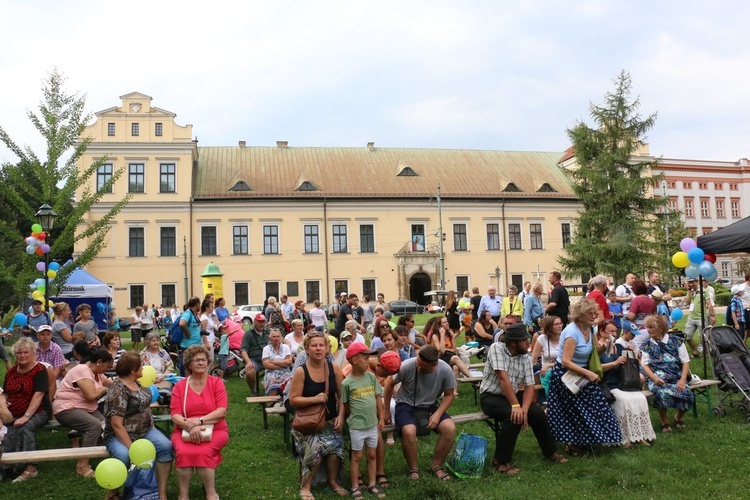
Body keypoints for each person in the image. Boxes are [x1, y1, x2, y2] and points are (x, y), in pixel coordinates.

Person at [480, 323, 567, 474]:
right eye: (524, 340)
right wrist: (515, 406)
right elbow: (503, 379)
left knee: (538, 414)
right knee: (514, 417)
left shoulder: (525, 357)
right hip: (491, 396)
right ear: (513, 342)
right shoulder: (496, 348)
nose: (528, 343)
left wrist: (525, 409)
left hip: (512, 394)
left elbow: (529, 386)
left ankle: (550, 452)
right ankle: (500, 462)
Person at [547, 299, 621, 456]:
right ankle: (574, 444)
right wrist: (587, 373)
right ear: (579, 315)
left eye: (595, 312)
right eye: (590, 313)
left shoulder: (591, 329)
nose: (594, 315)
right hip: (565, 376)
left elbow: (595, 351)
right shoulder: (571, 333)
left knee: (598, 405)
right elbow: (566, 361)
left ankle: (589, 441)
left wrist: (606, 345)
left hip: (582, 372)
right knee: (577, 410)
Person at [104, 352, 172, 500]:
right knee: (124, 456)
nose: (144, 368)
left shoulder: (137, 382)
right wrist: (132, 448)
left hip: (145, 430)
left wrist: (151, 426)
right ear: (132, 370)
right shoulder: (118, 390)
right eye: (140, 366)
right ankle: (113, 491)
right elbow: (116, 424)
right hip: (120, 434)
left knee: (166, 447)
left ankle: (161, 493)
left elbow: (144, 406)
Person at [383, 345, 456, 481]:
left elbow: (449, 394)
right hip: (405, 405)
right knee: (409, 431)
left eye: (422, 366)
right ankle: (413, 469)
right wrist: (386, 410)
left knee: (450, 429)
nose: (418, 367)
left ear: (433, 365)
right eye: (418, 362)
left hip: (431, 405)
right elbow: (389, 384)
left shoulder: (444, 369)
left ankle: (436, 465)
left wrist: (438, 414)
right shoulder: (407, 366)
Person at [288, 332, 346, 499]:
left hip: (330, 420)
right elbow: (293, 400)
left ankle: (333, 482)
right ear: (306, 349)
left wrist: (341, 416)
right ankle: (305, 486)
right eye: (314, 345)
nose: (318, 348)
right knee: (316, 448)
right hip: (308, 424)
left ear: (327, 348)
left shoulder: (333, 367)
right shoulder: (301, 371)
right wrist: (314, 399)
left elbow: (343, 396)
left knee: (335, 448)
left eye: (321, 345)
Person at [170, 345, 229, 500]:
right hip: (184, 429)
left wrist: (199, 421)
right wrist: (190, 425)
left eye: (203, 360)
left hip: (215, 428)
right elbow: (175, 414)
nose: (201, 363)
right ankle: (183, 496)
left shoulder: (216, 383)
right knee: (183, 452)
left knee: (203, 452)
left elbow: (222, 411)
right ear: (189, 364)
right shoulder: (180, 386)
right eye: (197, 360)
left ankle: (211, 494)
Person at [53, 348, 114, 477]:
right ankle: (82, 465)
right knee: (94, 426)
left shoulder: (97, 373)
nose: (107, 370)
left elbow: (110, 383)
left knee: (106, 425)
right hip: (66, 408)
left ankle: (101, 455)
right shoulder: (82, 370)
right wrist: (103, 389)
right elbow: (91, 395)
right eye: (107, 366)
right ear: (98, 362)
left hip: (86, 408)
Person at [597, 321, 656, 446]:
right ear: (602, 332)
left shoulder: (618, 347)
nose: (614, 334)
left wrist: (630, 354)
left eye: (615, 331)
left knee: (640, 398)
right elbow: (596, 369)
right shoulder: (598, 349)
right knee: (624, 401)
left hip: (622, 383)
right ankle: (623, 437)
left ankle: (639, 434)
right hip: (607, 385)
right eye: (611, 331)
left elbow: (629, 367)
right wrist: (615, 363)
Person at [0, 338, 51, 482]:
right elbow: (5, 393)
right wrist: (3, 403)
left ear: (33, 353)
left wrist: (26, 416)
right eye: (19, 353)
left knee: (26, 428)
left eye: (25, 352)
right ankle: (8, 467)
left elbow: (39, 394)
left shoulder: (39, 370)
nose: (22, 355)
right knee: (5, 433)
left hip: (38, 411)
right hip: (13, 413)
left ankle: (31, 468)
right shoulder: (11, 372)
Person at [340, 343, 386, 499]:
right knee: (357, 456)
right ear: (354, 360)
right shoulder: (347, 383)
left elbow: (378, 398)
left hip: (372, 424)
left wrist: (381, 417)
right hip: (357, 427)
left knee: (372, 454)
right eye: (365, 358)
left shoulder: (371, 377)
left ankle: (372, 484)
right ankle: (354, 486)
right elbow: (345, 405)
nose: (369, 361)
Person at [641, 315, 694, 432]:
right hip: (656, 378)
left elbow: (685, 361)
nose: (648, 330)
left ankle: (678, 417)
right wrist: (654, 378)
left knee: (687, 394)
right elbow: (644, 365)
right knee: (661, 393)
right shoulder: (647, 345)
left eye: (651, 327)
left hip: (676, 376)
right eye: (647, 327)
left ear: (660, 328)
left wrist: (683, 379)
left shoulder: (676, 341)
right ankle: (664, 421)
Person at [427, 317, 472, 381]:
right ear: (439, 326)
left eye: (447, 321)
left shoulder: (450, 334)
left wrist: (446, 349)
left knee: (456, 368)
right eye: (444, 322)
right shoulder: (435, 336)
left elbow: (454, 349)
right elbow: (441, 351)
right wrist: (442, 335)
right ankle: (472, 378)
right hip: (438, 358)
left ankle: (454, 391)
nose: (447, 323)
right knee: (455, 358)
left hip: (449, 356)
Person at [684, 278, 715, 357]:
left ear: (697, 282)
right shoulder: (691, 291)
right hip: (691, 318)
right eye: (689, 282)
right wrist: (689, 291)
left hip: (701, 318)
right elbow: (687, 303)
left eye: (692, 282)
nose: (690, 284)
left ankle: (708, 353)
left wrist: (712, 315)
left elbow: (709, 304)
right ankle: (695, 351)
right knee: (687, 336)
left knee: (704, 338)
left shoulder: (704, 291)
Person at [241, 314, 270, 396]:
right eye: (259, 322)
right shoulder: (248, 333)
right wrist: (248, 362)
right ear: (254, 322)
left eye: (263, 322)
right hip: (254, 359)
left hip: (268, 358)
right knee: (249, 371)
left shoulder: (268, 331)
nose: (261, 324)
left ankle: (275, 388)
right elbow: (243, 350)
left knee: (280, 366)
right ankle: (253, 390)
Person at [530, 316, 562, 384]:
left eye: (560, 323)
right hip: (547, 372)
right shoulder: (542, 338)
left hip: (561, 370)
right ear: (550, 327)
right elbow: (533, 360)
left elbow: (566, 361)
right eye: (556, 324)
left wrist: (549, 365)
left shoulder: (564, 338)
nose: (559, 326)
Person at [626, 279, 657, 348]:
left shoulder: (636, 300)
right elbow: (655, 316)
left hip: (639, 330)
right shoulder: (651, 301)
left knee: (637, 349)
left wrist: (626, 317)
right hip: (650, 329)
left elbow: (631, 316)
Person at [262, 328, 293, 396]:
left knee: (289, 381)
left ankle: (285, 401)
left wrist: (273, 361)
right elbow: (266, 364)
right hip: (271, 372)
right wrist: (282, 363)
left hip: (285, 371)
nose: (276, 338)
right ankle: (271, 404)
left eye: (278, 336)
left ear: (281, 337)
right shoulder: (266, 349)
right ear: (270, 338)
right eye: (274, 336)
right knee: (272, 381)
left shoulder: (286, 347)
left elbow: (289, 362)